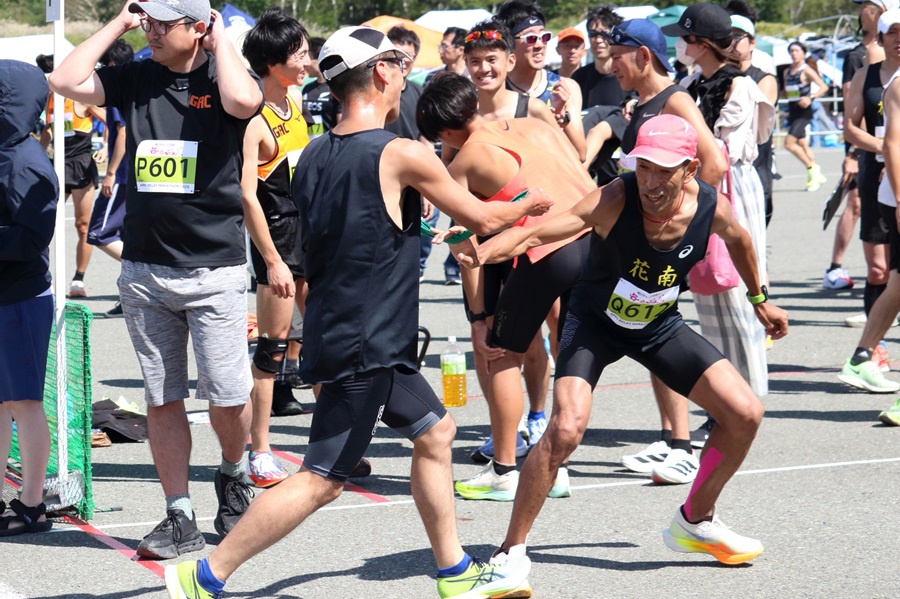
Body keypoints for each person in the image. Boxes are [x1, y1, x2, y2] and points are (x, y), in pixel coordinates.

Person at [163, 25, 550, 599]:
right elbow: (487, 218)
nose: (403, 75)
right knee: (321, 479)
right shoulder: (401, 153)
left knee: (437, 432)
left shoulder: (312, 154)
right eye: (398, 64)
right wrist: (540, 199)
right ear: (383, 72)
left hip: (352, 330)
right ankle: (204, 574)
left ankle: (453, 571)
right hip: (365, 340)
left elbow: (363, 228)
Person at [456, 116, 787, 594]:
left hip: (657, 326)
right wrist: (484, 254)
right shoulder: (615, 197)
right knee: (565, 430)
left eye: (664, 171)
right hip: (593, 325)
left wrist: (760, 300)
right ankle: (509, 552)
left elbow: (740, 239)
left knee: (745, 412)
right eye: (643, 167)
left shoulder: (710, 207)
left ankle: (695, 520)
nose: (650, 182)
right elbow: (537, 234)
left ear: (690, 169)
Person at [49, 0, 264, 559]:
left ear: (199, 26)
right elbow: (65, 80)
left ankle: (232, 472)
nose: (153, 31)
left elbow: (246, 102)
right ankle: (179, 513)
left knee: (227, 397)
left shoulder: (224, 77)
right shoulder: (137, 75)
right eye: (149, 21)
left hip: (213, 268)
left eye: (165, 23)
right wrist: (120, 22)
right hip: (146, 268)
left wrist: (220, 42)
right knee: (162, 398)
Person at [418, 73, 594, 501]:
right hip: (599, 242)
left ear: (443, 133)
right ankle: (556, 467)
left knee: (499, 353)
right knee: (571, 354)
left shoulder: (462, 163)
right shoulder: (535, 122)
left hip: (551, 250)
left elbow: (466, 251)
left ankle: (503, 470)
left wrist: (479, 318)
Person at [602, 17, 728, 481]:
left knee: (658, 331)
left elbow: (712, 162)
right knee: (647, 328)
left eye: (618, 57)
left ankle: (682, 444)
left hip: (665, 243)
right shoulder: (644, 104)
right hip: (642, 243)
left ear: (643, 55)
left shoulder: (674, 100)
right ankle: (671, 436)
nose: (611, 66)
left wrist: (682, 219)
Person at [461, 19, 574, 461]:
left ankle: (541, 417)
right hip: (489, 240)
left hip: (540, 239)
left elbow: (571, 166)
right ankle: (502, 431)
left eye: (491, 60)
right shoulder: (464, 116)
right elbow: (452, 183)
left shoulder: (533, 109)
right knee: (488, 339)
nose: (484, 69)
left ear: (510, 61)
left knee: (544, 331)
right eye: (475, 61)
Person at [664, 1, 775, 450]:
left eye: (686, 38)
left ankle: (746, 401)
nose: (681, 45)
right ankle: (724, 405)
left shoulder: (741, 86)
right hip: (704, 184)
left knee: (736, 291)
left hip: (733, 186)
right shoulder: (690, 83)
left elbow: (724, 149)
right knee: (709, 294)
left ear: (702, 43)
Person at [238, 7, 313, 489]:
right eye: (299, 53)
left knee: (323, 338)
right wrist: (272, 260)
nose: (307, 61)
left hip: (309, 233)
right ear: (272, 62)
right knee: (272, 350)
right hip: (278, 241)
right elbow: (248, 196)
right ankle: (259, 452)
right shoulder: (256, 120)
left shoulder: (295, 104)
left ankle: (331, 444)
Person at [0, 59, 59, 537]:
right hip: (6, 295)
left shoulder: (25, 160)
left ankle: (32, 504)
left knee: (23, 404)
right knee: (2, 404)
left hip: (21, 298)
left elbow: (33, 236)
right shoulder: (7, 151)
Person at [838, 8, 900, 426]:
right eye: (893, 31)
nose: (899, 38)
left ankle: (863, 355)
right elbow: (854, 129)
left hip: (890, 180)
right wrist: (887, 154)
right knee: (882, 271)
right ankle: (867, 355)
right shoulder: (872, 77)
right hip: (884, 181)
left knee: (895, 278)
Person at [39, 59, 105, 299]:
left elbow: (110, 121)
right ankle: (40, 275)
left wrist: (106, 146)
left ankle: (78, 278)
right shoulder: (50, 101)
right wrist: (37, 153)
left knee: (82, 224)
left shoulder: (80, 99)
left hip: (81, 165)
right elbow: (48, 129)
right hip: (58, 165)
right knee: (43, 220)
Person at [496, 0, 587, 160]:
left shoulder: (565, 87)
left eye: (544, 37)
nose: (539, 45)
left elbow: (581, 155)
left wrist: (562, 118)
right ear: (509, 43)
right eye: (531, 38)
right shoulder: (496, 90)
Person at [86, 39, 134, 318]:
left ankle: (140, 268)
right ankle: (130, 294)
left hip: (123, 174)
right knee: (127, 234)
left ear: (113, 64)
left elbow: (123, 132)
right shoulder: (138, 85)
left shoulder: (118, 89)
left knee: (100, 233)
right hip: (136, 173)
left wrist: (111, 173)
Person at [782, 40, 829, 192]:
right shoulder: (787, 71)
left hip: (804, 112)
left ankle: (812, 170)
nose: (794, 54)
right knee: (802, 144)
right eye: (791, 51)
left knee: (789, 144)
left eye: (796, 51)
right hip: (792, 110)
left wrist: (811, 98)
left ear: (803, 53)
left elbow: (824, 86)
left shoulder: (806, 70)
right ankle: (816, 172)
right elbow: (787, 92)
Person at [302, 36, 342, 141]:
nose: (305, 63)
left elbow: (342, 124)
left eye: (308, 57)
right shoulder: (307, 89)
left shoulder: (335, 89)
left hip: (329, 145)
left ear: (319, 59)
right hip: (310, 145)